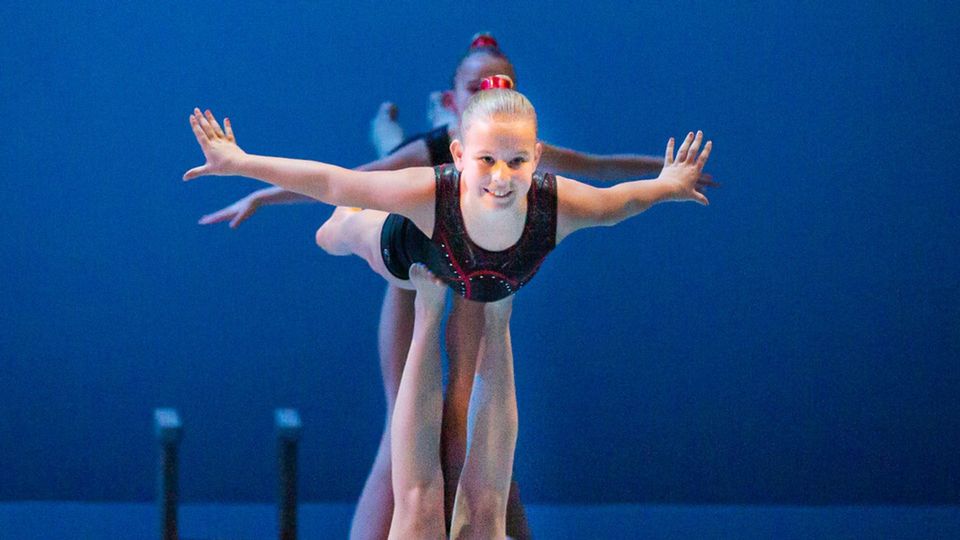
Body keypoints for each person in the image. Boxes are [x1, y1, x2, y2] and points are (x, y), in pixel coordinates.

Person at [193, 34, 715, 540]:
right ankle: (370, 167)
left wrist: (667, 182)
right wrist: (244, 168)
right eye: (487, 160)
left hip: (482, 274)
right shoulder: (430, 181)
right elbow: (336, 181)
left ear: (536, 157)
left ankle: (387, 132)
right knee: (344, 224)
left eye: (517, 162)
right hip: (413, 247)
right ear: (461, 153)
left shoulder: (555, 201)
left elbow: (618, 198)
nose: (502, 178)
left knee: (465, 441)